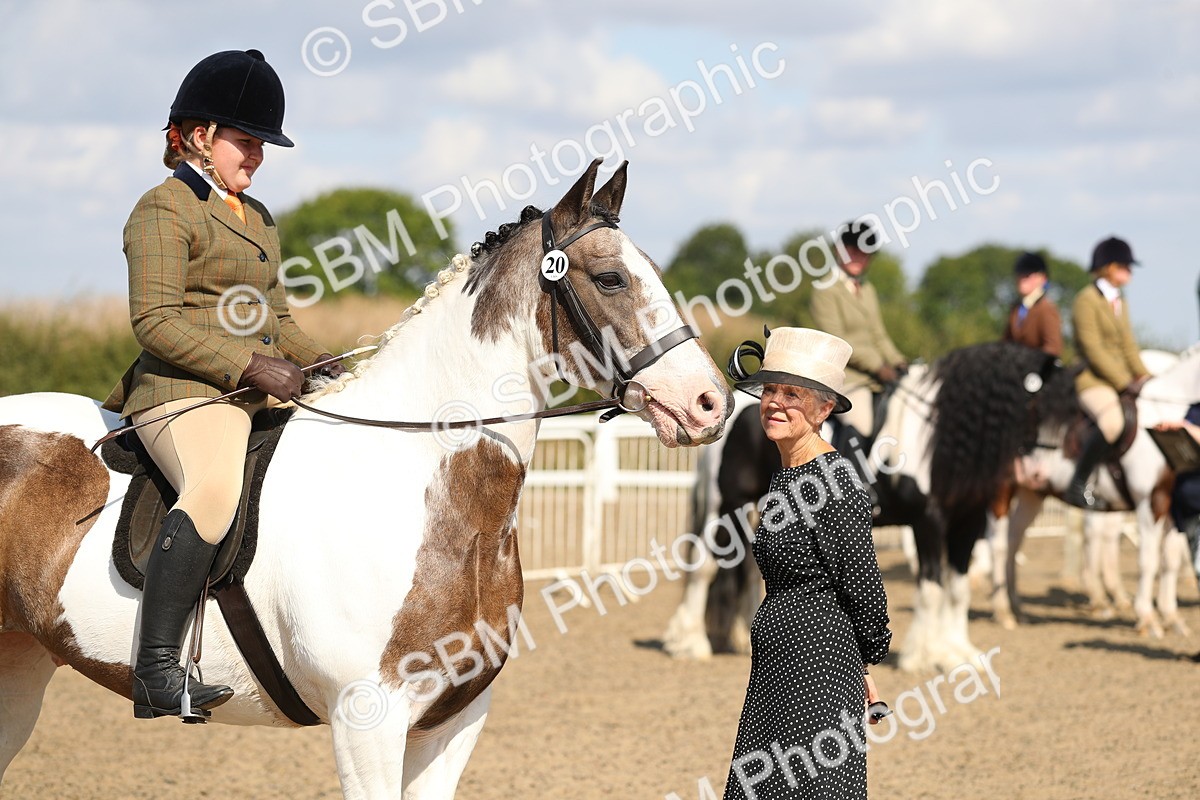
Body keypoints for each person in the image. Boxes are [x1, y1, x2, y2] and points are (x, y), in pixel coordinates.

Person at [102, 49, 344, 719]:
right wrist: (249, 366)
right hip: (179, 394)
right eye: (247, 139)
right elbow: (154, 320)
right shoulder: (162, 209)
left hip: (246, 393)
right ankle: (154, 669)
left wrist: (321, 360)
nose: (258, 153)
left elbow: (278, 322)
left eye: (263, 143)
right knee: (212, 489)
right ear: (200, 135)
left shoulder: (257, 217)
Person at [724, 328, 892, 799]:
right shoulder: (786, 474)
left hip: (815, 670)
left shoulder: (835, 481)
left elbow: (863, 588)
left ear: (823, 409)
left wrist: (861, 662)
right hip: (779, 665)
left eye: (792, 394)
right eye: (770, 390)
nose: (775, 402)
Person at [1064, 236, 1149, 510]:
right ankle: (1078, 483)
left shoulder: (1119, 300)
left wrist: (1145, 378)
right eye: (1125, 266)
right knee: (1112, 422)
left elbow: (1128, 346)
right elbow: (1093, 350)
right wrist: (1125, 382)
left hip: (1118, 380)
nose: (1130, 272)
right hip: (1092, 380)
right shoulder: (1085, 301)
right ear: (1110, 267)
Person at [810, 220, 907, 447]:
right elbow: (837, 340)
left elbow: (879, 335)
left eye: (865, 253)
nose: (859, 258)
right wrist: (878, 366)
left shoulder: (868, 290)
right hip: (846, 378)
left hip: (876, 377)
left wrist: (899, 362)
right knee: (861, 422)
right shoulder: (824, 289)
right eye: (853, 251)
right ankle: (849, 481)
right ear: (839, 251)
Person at [1002, 251, 1063, 357]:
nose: (1021, 279)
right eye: (1020, 274)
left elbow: (1053, 348)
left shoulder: (1046, 308)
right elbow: (1006, 343)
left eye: (1027, 275)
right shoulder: (1016, 308)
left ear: (1042, 279)